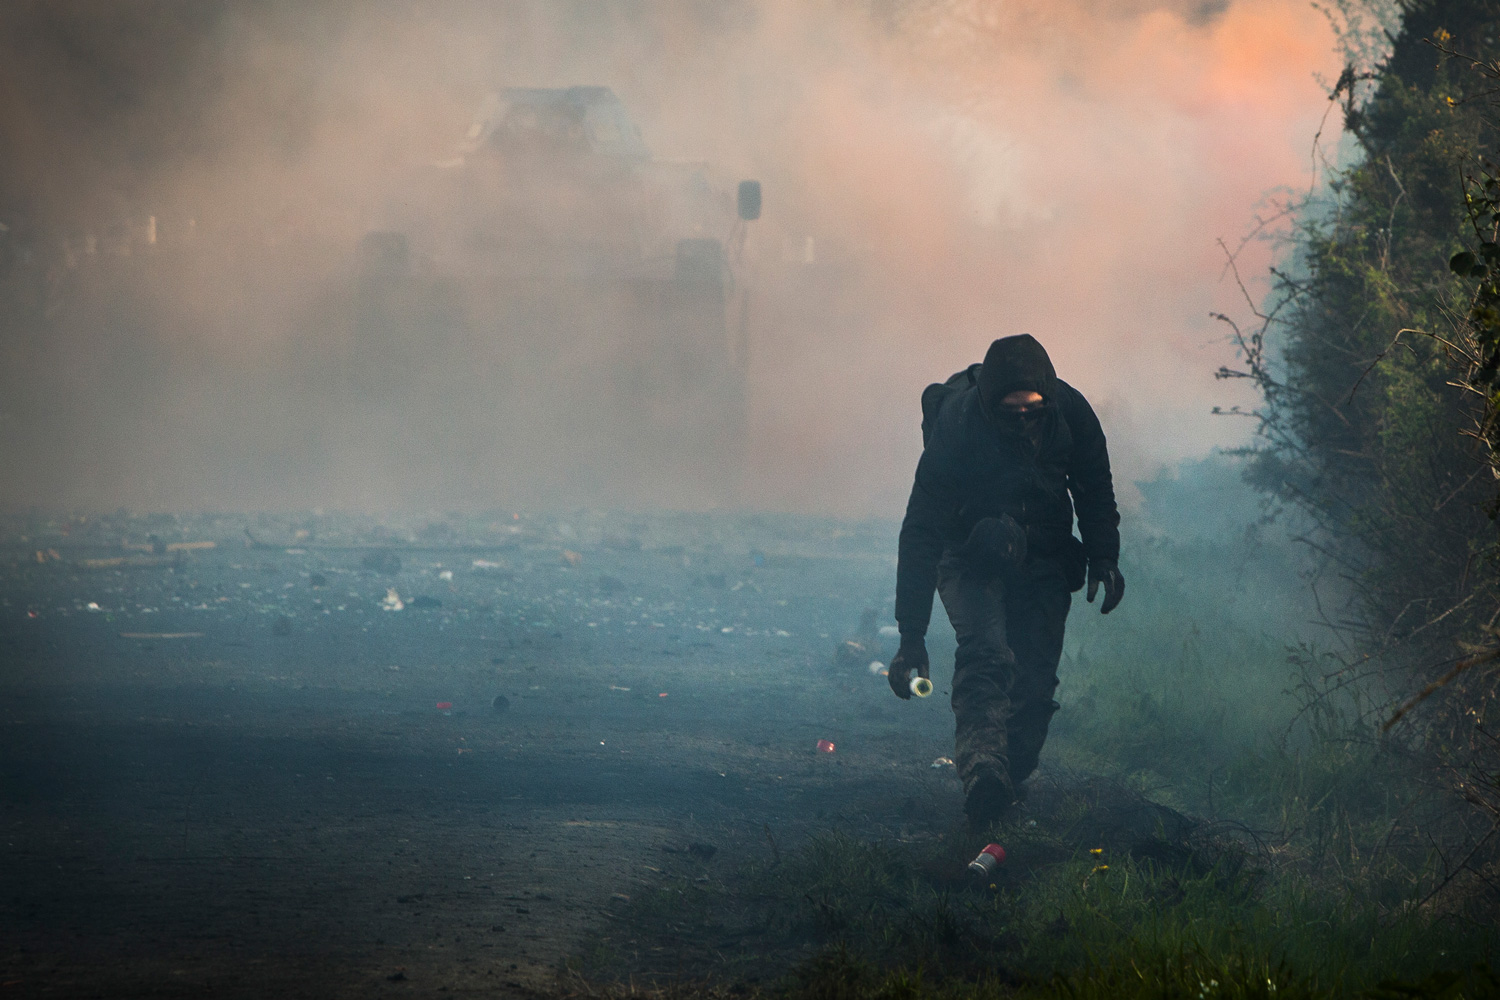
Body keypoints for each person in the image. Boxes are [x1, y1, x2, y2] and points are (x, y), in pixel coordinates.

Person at [888, 334, 1124, 827]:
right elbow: (922, 530)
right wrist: (911, 634)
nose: (1023, 424)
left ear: (1049, 401)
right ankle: (982, 775)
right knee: (986, 654)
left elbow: (1094, 487)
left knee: (1035, 681)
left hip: (1044, 552)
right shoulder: (957, 428)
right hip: (967, 552)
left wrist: (1104, 554)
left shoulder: (1072, 416)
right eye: (1010, 413)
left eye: (1033, 413)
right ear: (987, 406)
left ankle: (1010, 779)